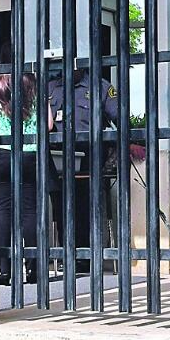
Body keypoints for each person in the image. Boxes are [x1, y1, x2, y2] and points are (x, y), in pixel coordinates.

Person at [45, 66, 123, 274]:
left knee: (86, 206)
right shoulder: (51, 88)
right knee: (62, 207)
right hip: (59, 159)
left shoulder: (100, 87)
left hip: (90, 159)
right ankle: (67, 254)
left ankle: (86, 256)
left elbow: (120, 118)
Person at [0, 44, 54, 286]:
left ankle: (4, 270)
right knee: (29, 211)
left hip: (2, 152)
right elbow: (48, 124)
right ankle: (32, 269)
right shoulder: (35, 85)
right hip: (30, 153)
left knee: (3, 210)